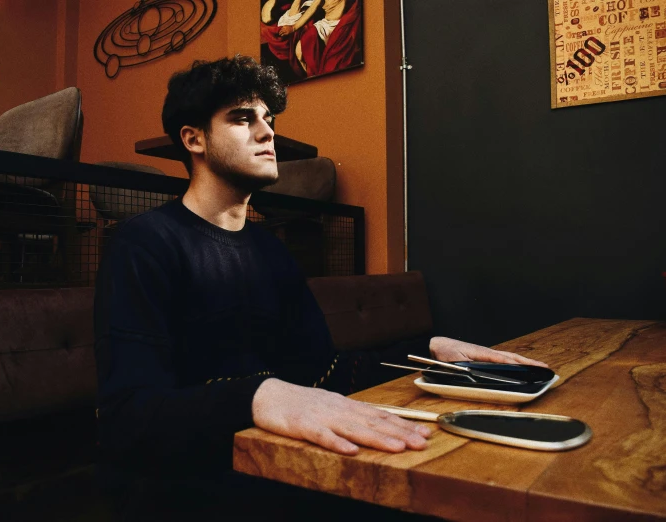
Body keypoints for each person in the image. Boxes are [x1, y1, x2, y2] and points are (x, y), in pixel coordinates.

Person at [93, 55, 545, 520]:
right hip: (192, 488)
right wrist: (260, 394)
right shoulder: (144, 244)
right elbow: (128, 419)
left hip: (292, 470)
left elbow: (324, 372)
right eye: (242, 118)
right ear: (194, 139)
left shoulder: (272, 253)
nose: (267, 133)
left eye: (268, 119)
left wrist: (429, 352)